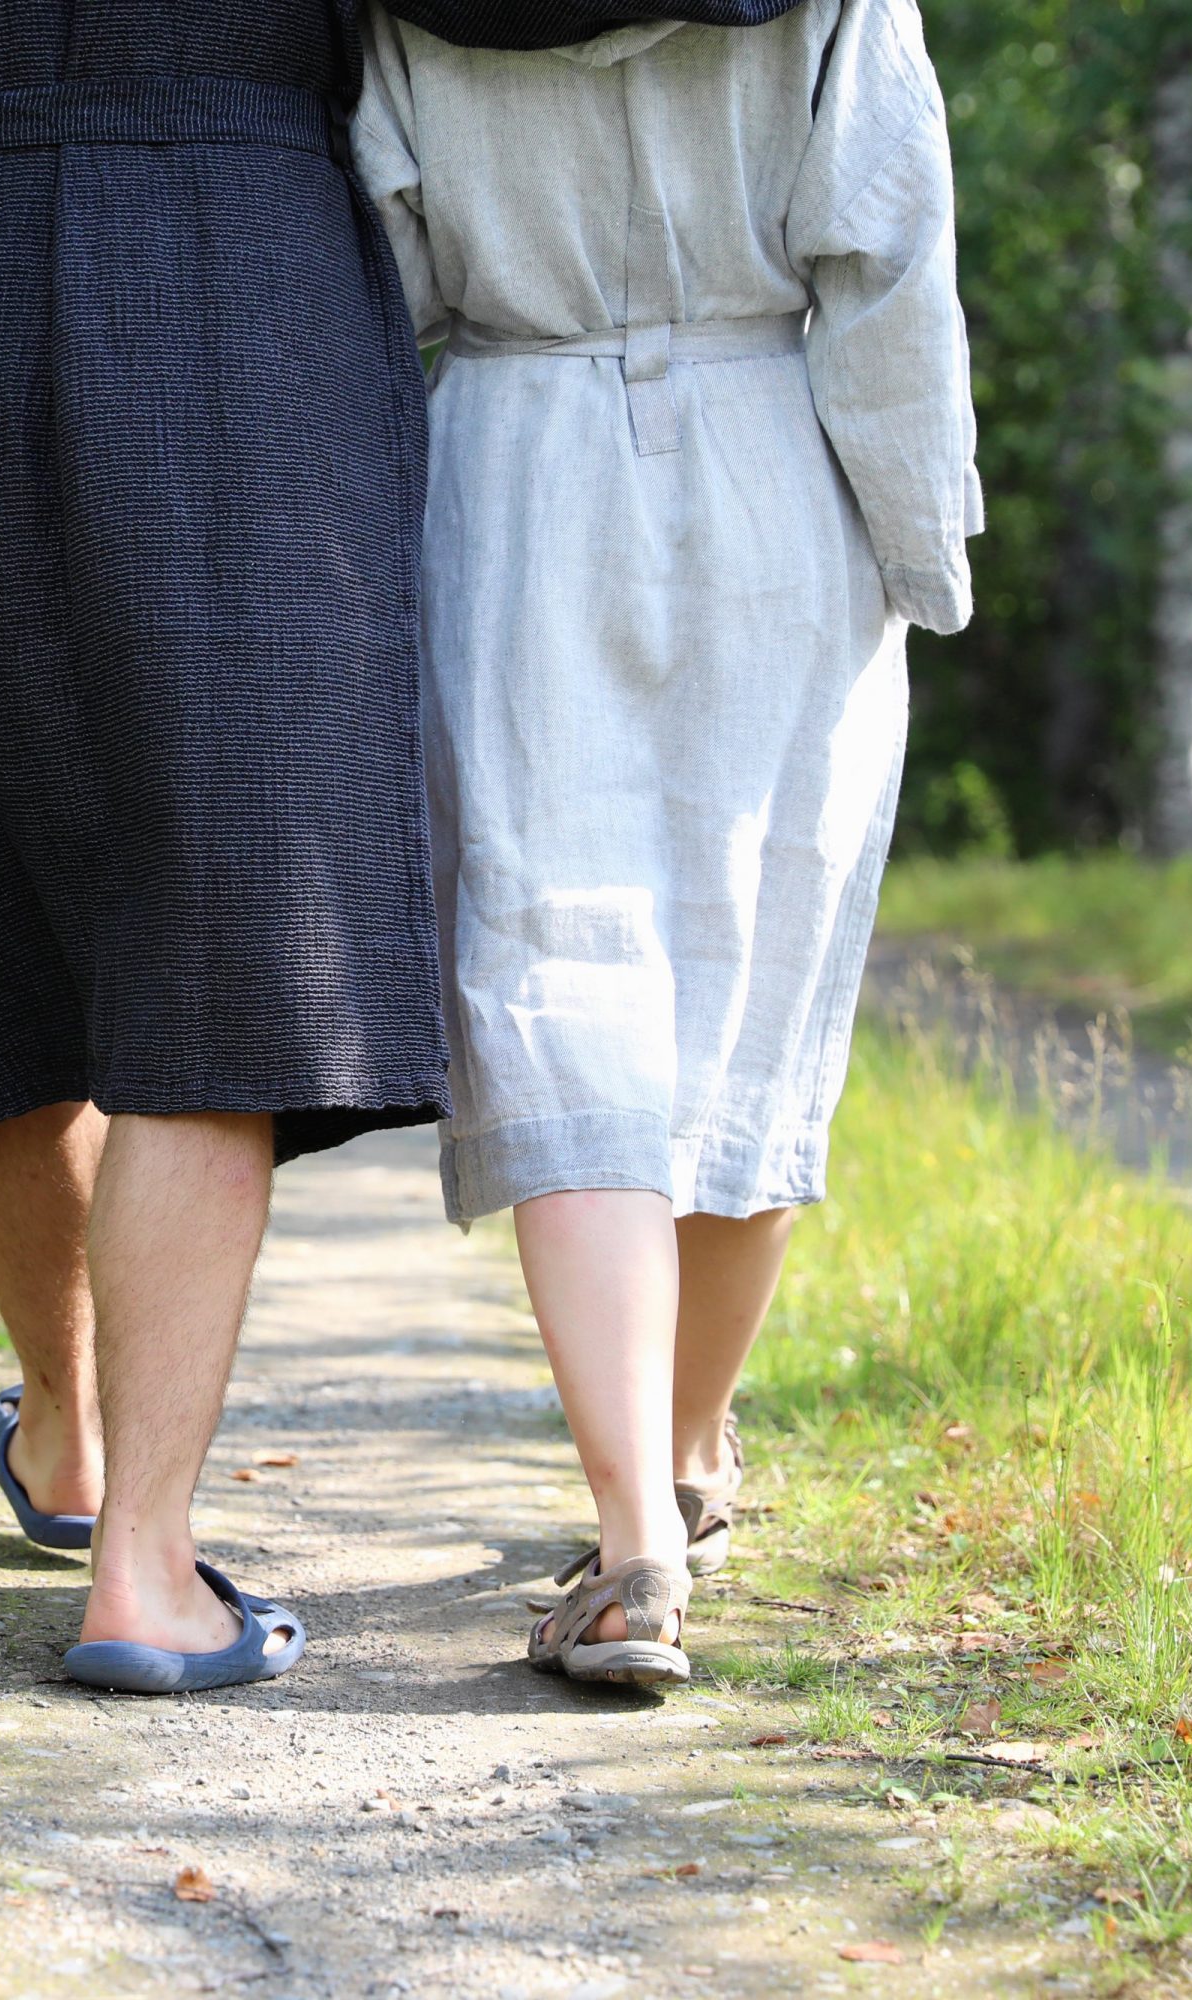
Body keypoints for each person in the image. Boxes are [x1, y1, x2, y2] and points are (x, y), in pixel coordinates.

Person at [0, 0, 808, 1695]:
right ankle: (139, 1567)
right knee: (217, 926)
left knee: (1, 899)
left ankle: (70, 1437)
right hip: (255, 300)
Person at [353, 0, 981, 1684]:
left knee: (554, 974)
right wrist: (925, 548)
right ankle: (690, 1461)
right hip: (783, 460)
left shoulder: (414, 5)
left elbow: (378, 269)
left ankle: (640, 1517)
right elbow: (886, 248)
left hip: (517, 468)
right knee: (751, 978)